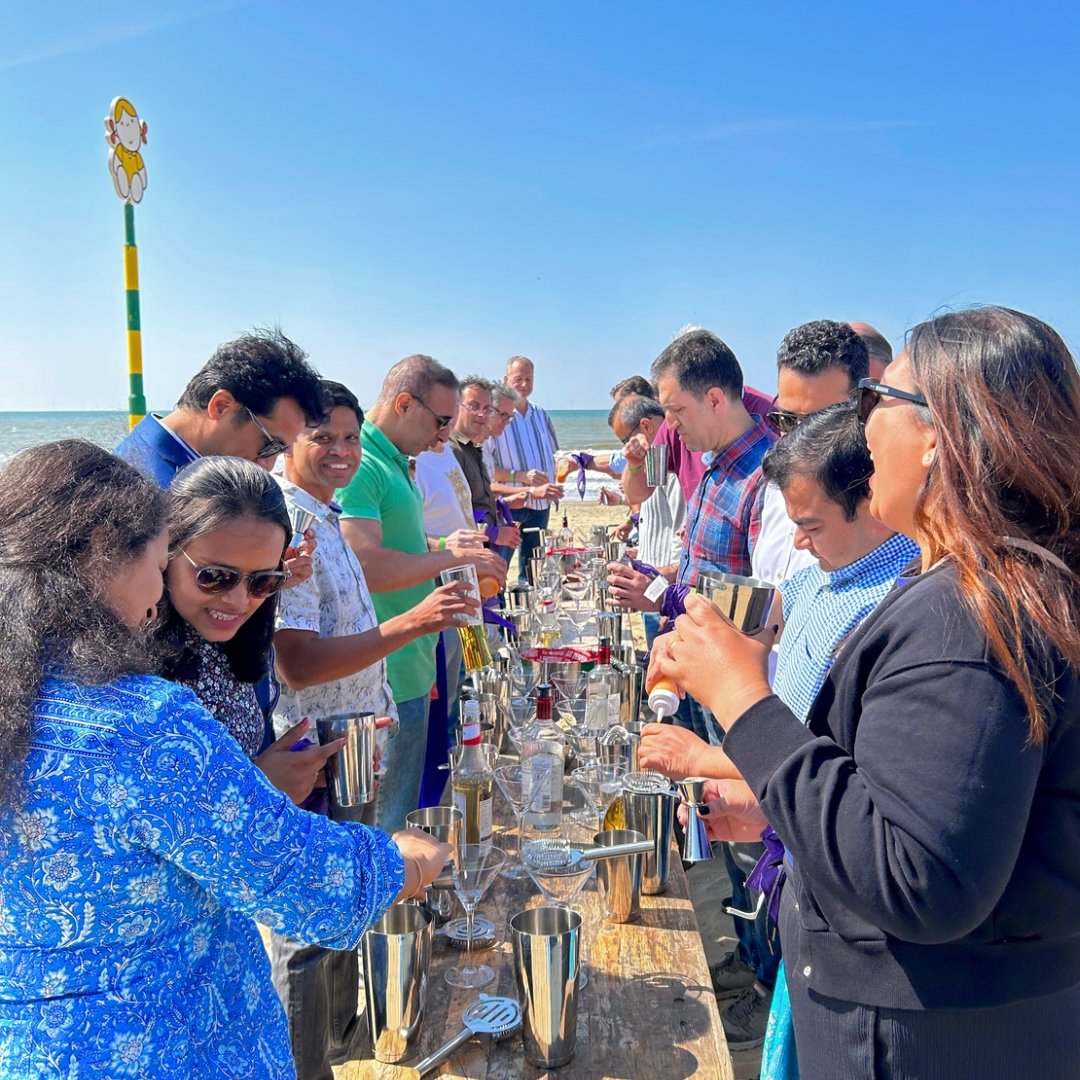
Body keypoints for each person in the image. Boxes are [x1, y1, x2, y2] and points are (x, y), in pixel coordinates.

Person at [650, 307, 1080, 1079]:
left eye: (879, 400)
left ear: (940, 435)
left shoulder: (968, 614)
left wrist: (743, 699)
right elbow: (932, 811)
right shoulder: (1005, 587)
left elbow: (921, 879)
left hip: (918, 1036)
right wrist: (782, 810)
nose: (861, 420)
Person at [0, 441, 449, 1078]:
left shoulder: (22, 691)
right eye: (161, 566)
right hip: (177, 1042)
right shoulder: (143, 724)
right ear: (103, 555)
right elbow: (303, 880)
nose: (155, 596)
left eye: (262, 581)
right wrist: (408, 855)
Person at [639, 405, 918, 1063]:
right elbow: (769, 625)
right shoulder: (821, 569)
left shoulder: (895, 603)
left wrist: (717, 756)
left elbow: (854, 782)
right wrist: (690, 614)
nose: (796, 541)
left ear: (875, 504)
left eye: (810, 524)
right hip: (801, 852)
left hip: (849, 913)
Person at [269, 382, 477, 1079]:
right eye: (323, 436)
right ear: (289, 436)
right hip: (312, 742)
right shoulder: (289, 523)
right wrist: (413, 623)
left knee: (344, 902)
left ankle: (343, 1037)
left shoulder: (322, 514)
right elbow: (296, 663)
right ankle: (313, 1065)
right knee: (306, 928)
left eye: (351, 438)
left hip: (355, 731)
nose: (341, 451)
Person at [338, 355, 505, 833]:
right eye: (441, 421)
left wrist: (442, 546)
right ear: (405, 403)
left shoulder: (395, 460)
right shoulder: (365, 465)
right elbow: (364, 564)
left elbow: (400, 543)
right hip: (386, 671)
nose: (444, 435)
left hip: (412, 658)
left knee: (406, 807)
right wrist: (451, 560)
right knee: (386, 826)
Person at [150, 455, 337, 806]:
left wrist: (306, 766)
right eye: (215, 576)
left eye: (262, 580)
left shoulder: (238, 637)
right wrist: (259, 787)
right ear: (166, 552)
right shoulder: (126, 667)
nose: (238, 601)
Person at [115, 327, 327, 485]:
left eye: (282, 451)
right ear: (221, 406)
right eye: (270, 446)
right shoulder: (145, 486)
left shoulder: (174, 465)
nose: (269, 465)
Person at [607, 394, 684, 645]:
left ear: (646, 426)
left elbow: (681, 534)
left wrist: (668, 596)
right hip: (654, 578)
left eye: (624, 439)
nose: (624, 446)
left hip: (666, 584)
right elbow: (643, 505)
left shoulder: (671, 463)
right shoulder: (652, 460)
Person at [487, 355, 564, 580]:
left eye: (529, 379)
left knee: (534, 568)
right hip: (512, 504)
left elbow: (555, 455)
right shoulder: (497, 416)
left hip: (541, 504)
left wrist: (563, 470)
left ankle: (529, 610)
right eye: (518, 378)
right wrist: (522, 476)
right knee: (499, 564)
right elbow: (488, 470)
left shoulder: (540, 414)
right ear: (505, 379)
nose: (524, 385)